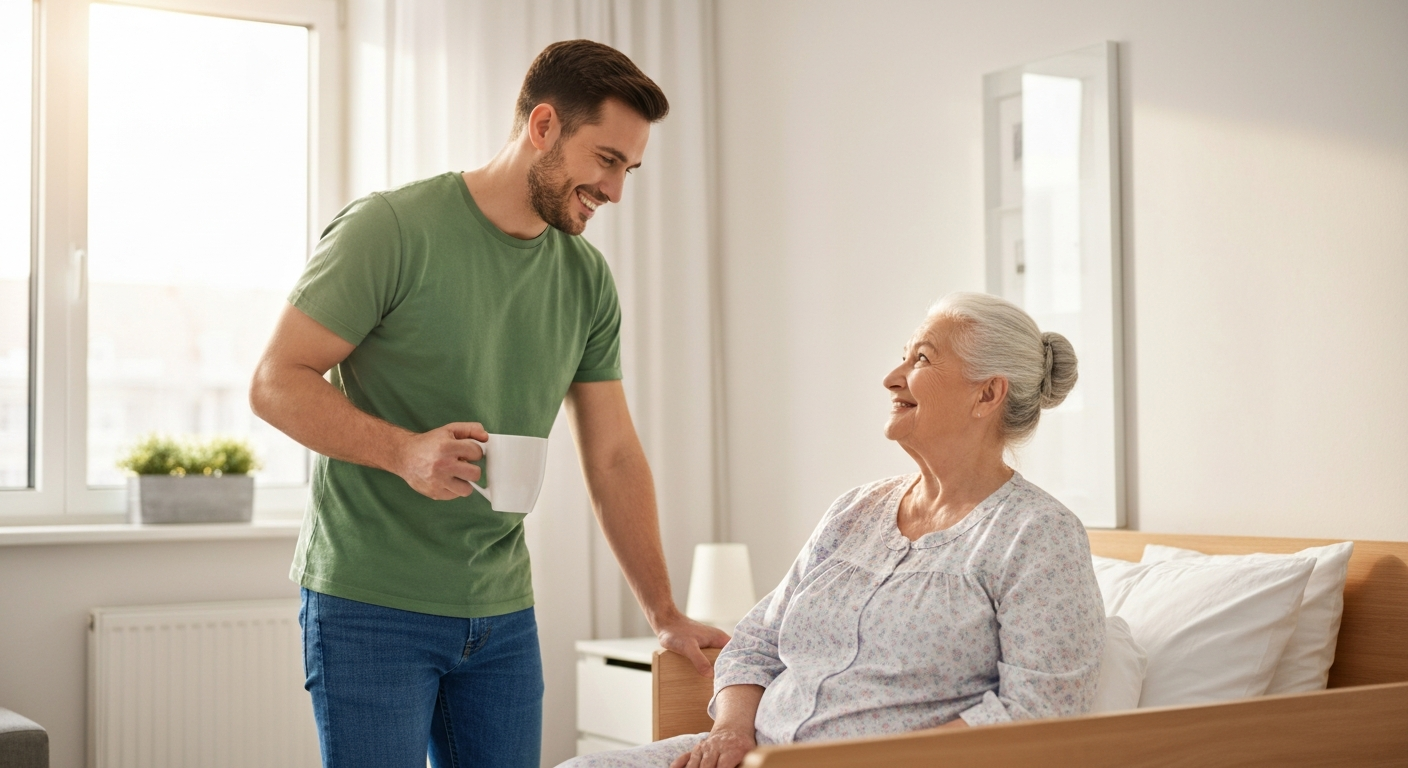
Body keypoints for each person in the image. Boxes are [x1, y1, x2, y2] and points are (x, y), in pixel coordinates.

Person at [249, 39, 728, 768]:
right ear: (543, 127)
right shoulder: (392, 229)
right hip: (370, 605)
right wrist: (404, 452)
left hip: (502, 615)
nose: (617, 191)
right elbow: (276, 381)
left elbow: (614, 453)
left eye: (629, 169)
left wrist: (662, 612)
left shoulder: (585, 279)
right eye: (605, 160)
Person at [563, 292, 1105, 768]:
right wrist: (730, 732)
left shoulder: (1038, 535)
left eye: (921, 359)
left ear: (987, 395)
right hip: (755, 754)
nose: (892, 377)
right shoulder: (857, 511)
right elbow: (754, 644)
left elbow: (1038, 715)